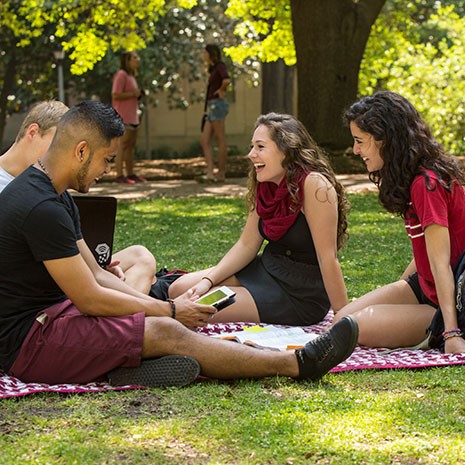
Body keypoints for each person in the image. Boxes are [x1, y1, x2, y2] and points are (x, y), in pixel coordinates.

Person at [0, 100, 359, 387]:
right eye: (107, 159)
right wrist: (169, 312)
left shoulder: (53, 191)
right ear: (81, 151)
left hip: (53, 317)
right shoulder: (42, 206)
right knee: (166, 330)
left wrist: (150, 306)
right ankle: (298, 363)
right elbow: (90, 296)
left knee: (155, 320)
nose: (109, 169)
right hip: (28, 343)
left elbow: (97, 275)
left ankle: (125, 364)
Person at [170, 113, 349, 326]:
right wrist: (207, 281)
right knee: (179, 289)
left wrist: (343, 317)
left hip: (299, 292)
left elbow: (327, 259)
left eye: (260, 147)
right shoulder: (265, 184)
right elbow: (246, 244)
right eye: (252, 146)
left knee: (194, 308)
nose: (251, 154)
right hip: (266, 268)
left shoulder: (314, 184)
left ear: (287, 149)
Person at [333, 90, 465, 354]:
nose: (356, 150)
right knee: (340, 321)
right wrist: (401, 288)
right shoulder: (410, 177)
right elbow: (427, 249)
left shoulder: (426, 183)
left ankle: (445, 327)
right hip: (425, 288)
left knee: (351, 327)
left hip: (449, 300)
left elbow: (441, 264)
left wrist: (451, 332)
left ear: (385, 140)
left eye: (360, 141)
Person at [0, 100, 156, 295]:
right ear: (32, 132)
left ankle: (135, 310)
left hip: (63, 267)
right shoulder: (30, 197)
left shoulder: (53, 188)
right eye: (56, 142)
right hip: (29, 288)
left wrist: (90, 269)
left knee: (140, 256)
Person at [198, 44, 231, 183]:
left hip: (217, 105)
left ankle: (221, 173)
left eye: (205, 53)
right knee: (204, 140)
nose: (203, 55)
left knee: (219, 138)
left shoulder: (220, 66)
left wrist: (221, 89)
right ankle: (210, 172)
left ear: (211, 54)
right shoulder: (212, 70)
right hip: (211, 106)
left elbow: (226, 79)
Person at [111, 50, 145, 184]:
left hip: (133, 116)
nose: (138, 60)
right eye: (135, 58)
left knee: (131, 146)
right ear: (127, 60)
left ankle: (131, 173)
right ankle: (119, 175)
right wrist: (133, 94)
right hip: (123, 116)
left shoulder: (132, 76)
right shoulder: (121, 75)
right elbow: (115, 95)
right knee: (122, 146)